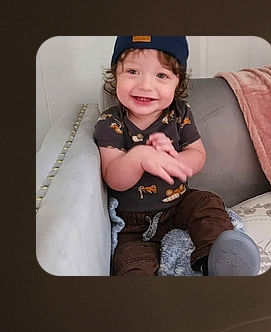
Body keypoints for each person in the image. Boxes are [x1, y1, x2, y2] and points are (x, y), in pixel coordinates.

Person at [94, 35, 261, 276]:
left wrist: (178, 162)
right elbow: (113, 177)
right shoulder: (110, 122)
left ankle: (217, 259)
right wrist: (140, 156)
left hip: (179, 203)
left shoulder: (179, 113)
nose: (145, 85)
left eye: (161, 75)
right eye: (132, 71)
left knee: (207, 202)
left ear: (177, 82)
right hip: (133, 226)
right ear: (115, 75)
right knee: (131, 261)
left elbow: (197, 153)